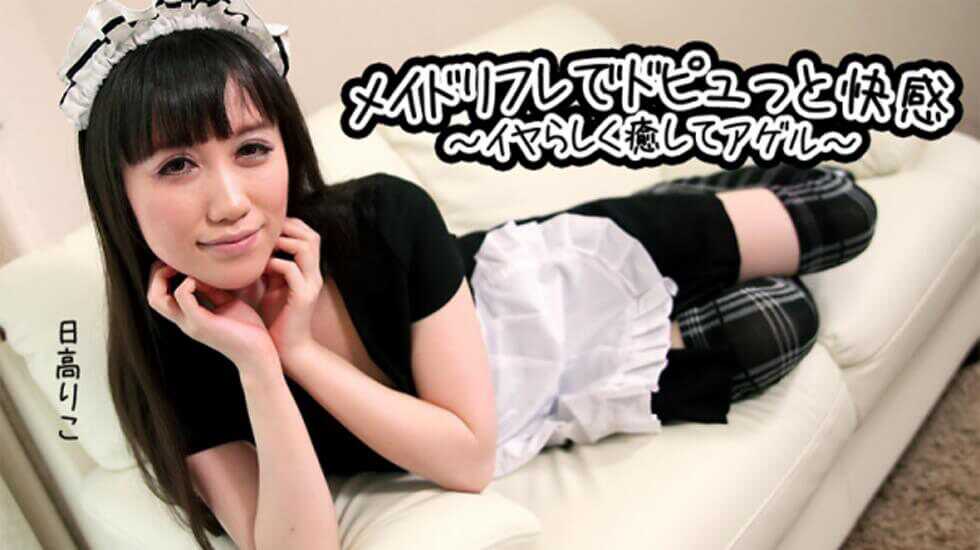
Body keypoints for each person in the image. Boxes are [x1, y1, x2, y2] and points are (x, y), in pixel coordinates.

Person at [58, 1, 878, 549]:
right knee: (783, 321)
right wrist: (274, 360)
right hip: (534, 402)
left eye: (251, 149)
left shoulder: (382, 216)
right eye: (176, 165)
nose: (232, 202)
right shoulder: (175, 361)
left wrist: (301, 349)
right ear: (118, 195)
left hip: (533, 287)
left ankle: (687, 195)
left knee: (843, 212)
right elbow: (463, 462)